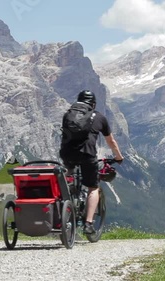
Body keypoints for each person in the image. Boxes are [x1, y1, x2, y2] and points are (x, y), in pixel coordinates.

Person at [59, 90, 124, 234]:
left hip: (67, 154)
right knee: (93, 188)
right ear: (93, 104)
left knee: (67, 177)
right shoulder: (99, 117)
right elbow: (111, 142)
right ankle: (88, 224)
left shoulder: (68, 115)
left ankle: (65, 203)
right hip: (87, 154)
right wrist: (118, 157)